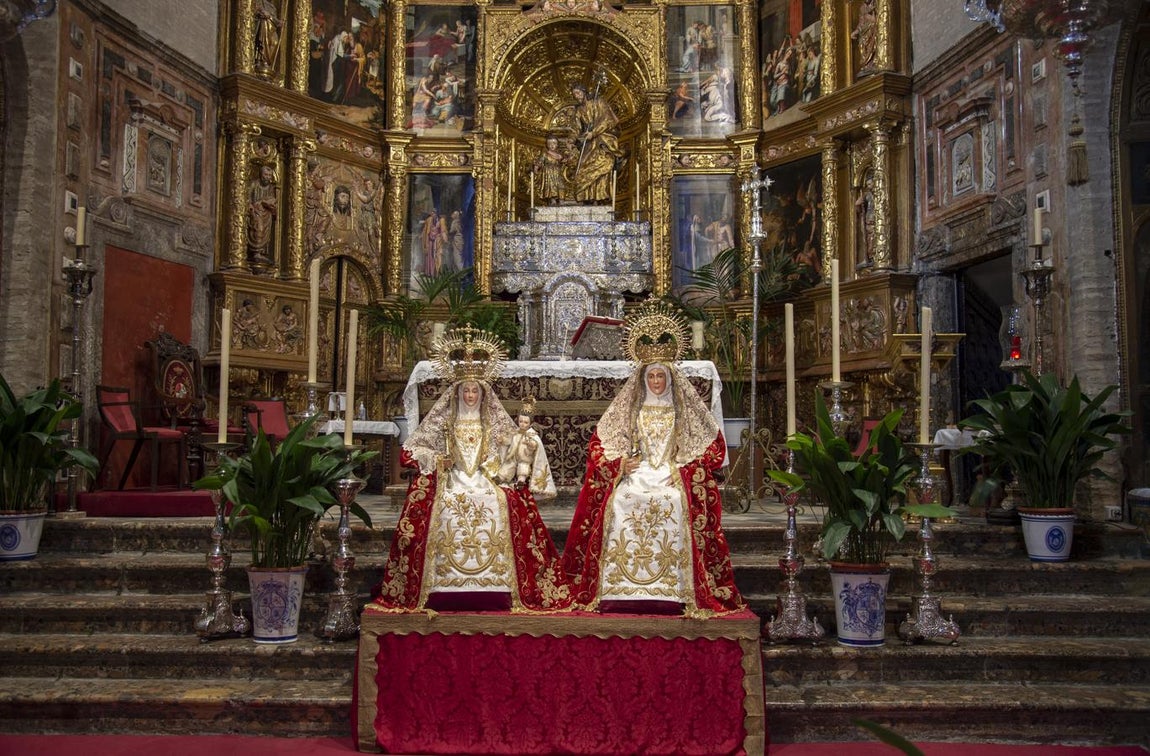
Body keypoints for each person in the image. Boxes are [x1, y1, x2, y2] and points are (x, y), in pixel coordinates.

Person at [561, 304, 744, 616]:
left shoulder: (682, 408)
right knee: (620, 500)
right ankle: (620, 589)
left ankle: (674, 587)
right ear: (643, 378)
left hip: (669, 472)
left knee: (674, 500)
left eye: (661, 375)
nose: (657, 381)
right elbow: (601, 443)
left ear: (669, 378)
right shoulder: (632, 406)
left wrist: (685, 470)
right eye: (652, 375)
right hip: (640, 472)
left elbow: (712, 448)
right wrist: (619, 466)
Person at [374, 326, 572, 613]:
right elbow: (415, 449)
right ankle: (442, 584)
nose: (469, 395)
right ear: (457, 392)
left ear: (483, 393)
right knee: (444, 504)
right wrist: (437, 459)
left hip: (485, 477)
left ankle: (498, 584)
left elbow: (512, 445)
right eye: (465, 390)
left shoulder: (493, 421)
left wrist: (518, 450)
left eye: (474, 390)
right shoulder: (445, 420)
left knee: (500, 501)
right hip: (452, 478)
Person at [568, 82, 622, 204]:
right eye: (574, 94)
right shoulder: (578, 110)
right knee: (583, 167)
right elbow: (575, 128)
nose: (576, 96)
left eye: (578, 93)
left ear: (584, 91)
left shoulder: (599, 102)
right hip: (587, 142)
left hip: (602, 140)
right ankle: (588, 197)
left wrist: (594, 132)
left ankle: (600, 196)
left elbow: (608, 120)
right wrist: (571, 140)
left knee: (603, 163)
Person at [498, 396, 552, 492]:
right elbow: (509, 440)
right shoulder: (515, 432)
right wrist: (503, 440)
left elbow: (535, 445)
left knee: (523, 469)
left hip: (524, 458)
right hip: (513, 456)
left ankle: (521, 482)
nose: (522, 424)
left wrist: (530, 444)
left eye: (525, 422)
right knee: (508, 466)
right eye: (521, 421)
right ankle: (501, 478)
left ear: (530, 423)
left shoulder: (531, 434)